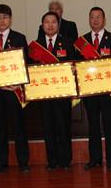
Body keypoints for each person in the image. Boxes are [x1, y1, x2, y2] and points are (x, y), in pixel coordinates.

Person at [75, 7, 111, 171]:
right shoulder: (81, 42)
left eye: (98, 17)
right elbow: (78, 65)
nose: (95, 20)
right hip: (90, 91)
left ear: (104, 20)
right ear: (89, 19)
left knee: (110, 124)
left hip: (108, 91)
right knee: (93, 125)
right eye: (92, 17)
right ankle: (95, 159)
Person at [0, 4, 31, 174]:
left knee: (18, 126)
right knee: (0, 127)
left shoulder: (19, 38)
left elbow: (25, 62)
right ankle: (1, 163)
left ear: (10, 19)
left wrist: (19, 82)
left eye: (5, 17)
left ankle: (23, 162)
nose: (2, 21)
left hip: (13, 90)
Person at [29, 11, 76, 170]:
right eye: (47, 22)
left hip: (62, 93)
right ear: (42, 25)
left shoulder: (68, 43)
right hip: (44, 94)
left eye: (54, 22)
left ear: (58, 24)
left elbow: (73, 64)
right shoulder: (35, 46)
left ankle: (65, 160)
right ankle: (52, 161)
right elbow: (30, 68)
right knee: (48, 128)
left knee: (63, 127)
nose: (50, 25)